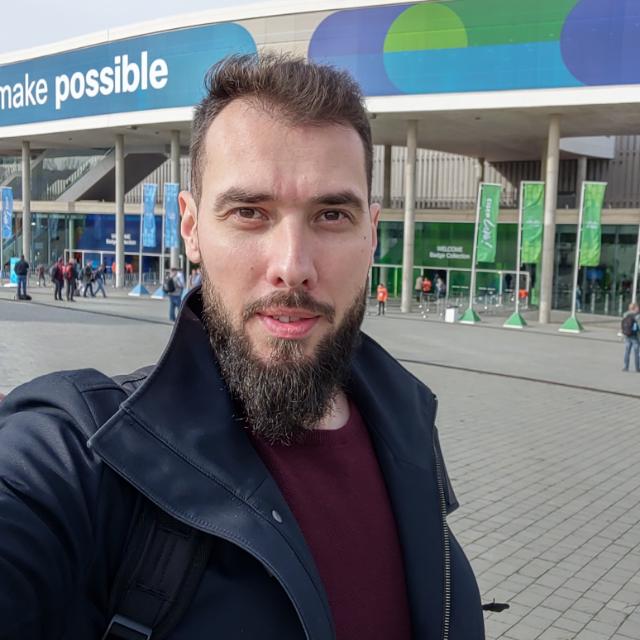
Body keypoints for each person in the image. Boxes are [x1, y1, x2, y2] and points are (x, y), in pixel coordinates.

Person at [0, 55, 483, 639]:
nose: (293, 266)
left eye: (332, 214)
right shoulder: (84, 455)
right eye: (250, 212)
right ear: (191, 227)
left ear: (372, 232)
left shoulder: (409, 435)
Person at [621, 302, 640, 372]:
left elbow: (623, 324)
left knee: (627, 351)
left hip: (627, 335)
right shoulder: (637, 316)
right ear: (635, 308)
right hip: (635, 336)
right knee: (636, 352)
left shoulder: (625, 314)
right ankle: (637, 368)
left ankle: (625, 367)